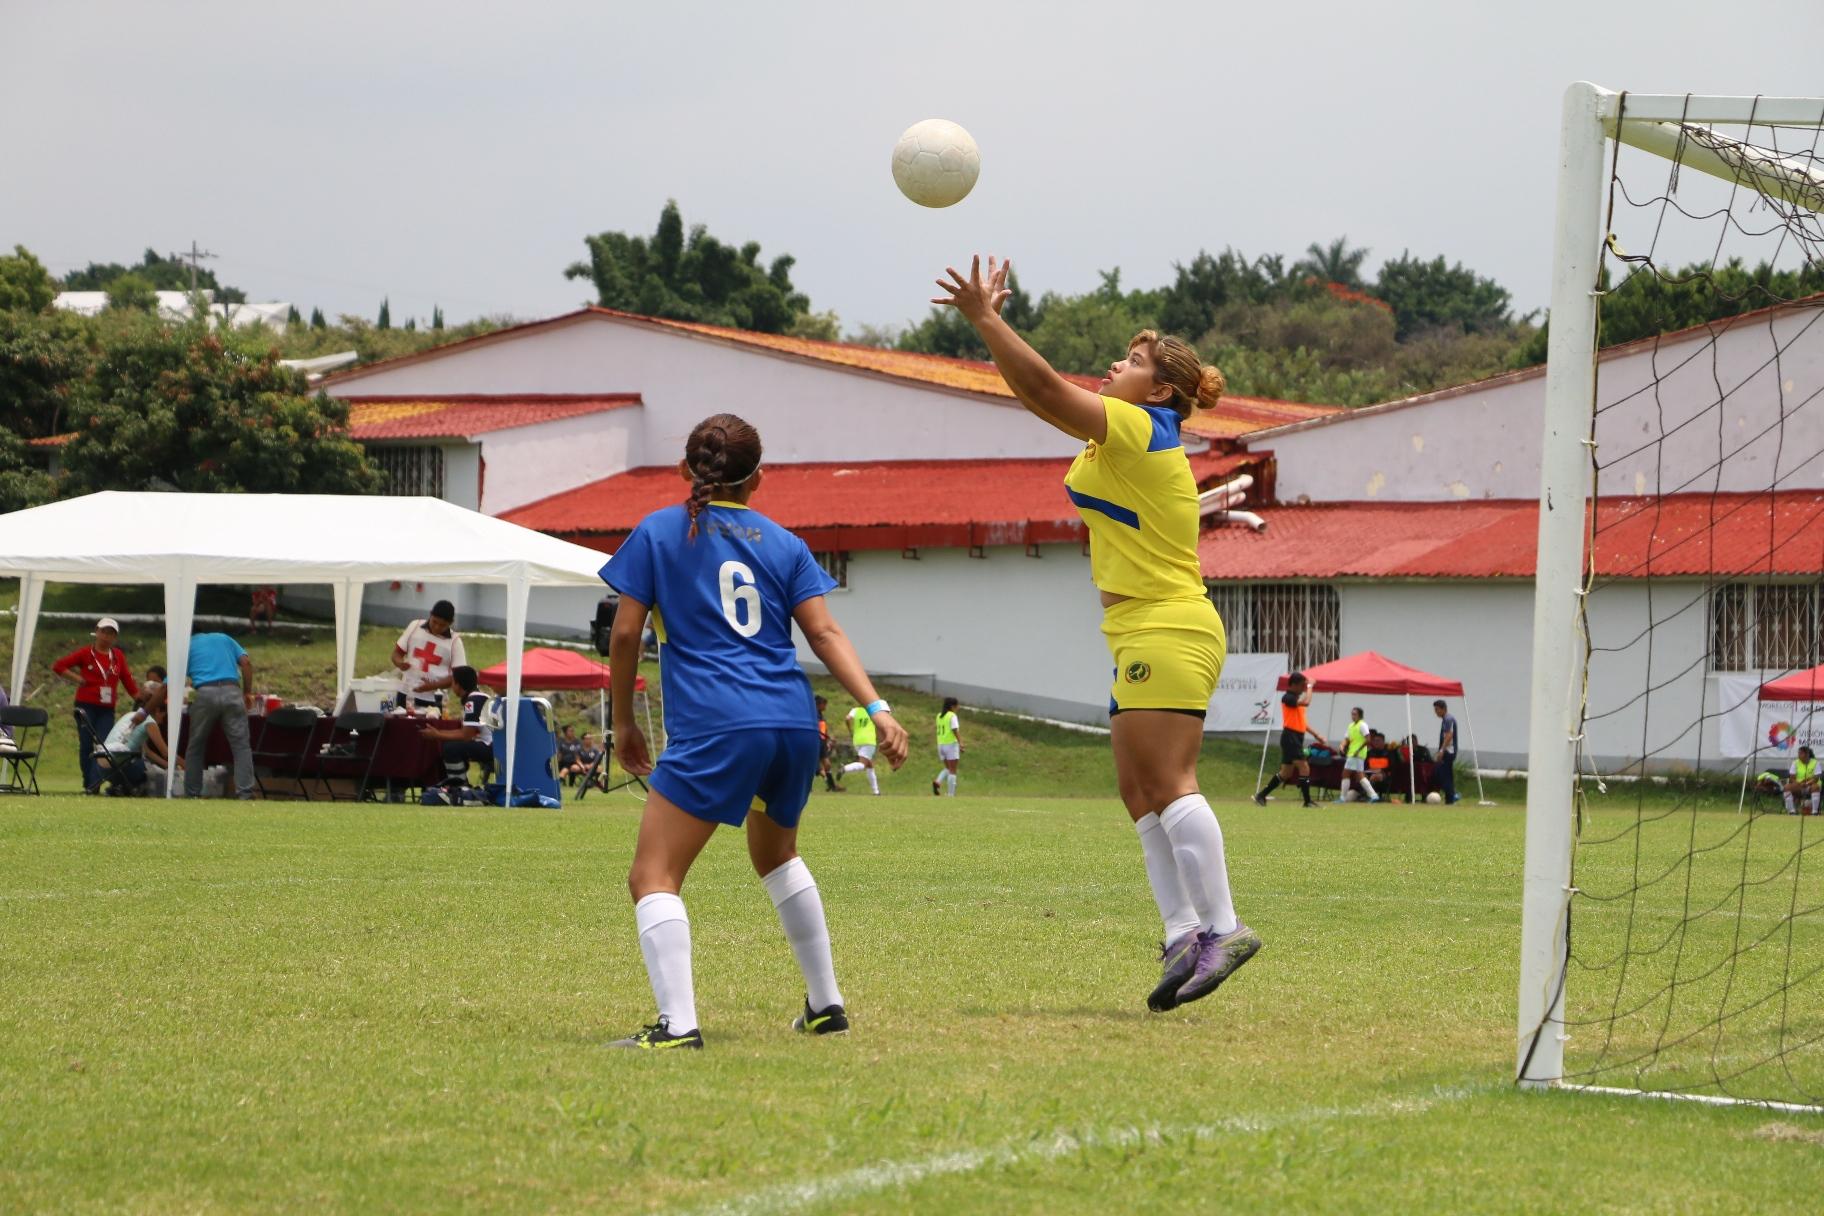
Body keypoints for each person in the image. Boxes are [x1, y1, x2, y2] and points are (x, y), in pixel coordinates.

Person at [936, 254, 1260, 1013]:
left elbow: (1048, 389)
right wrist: (994, 336)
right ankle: (1183, 932)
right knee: (1137, 793)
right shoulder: (1118, 434)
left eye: (1135, 360)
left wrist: (986, 318)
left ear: (1163, 390)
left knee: (1171, 783)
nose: (1118, 364)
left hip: (1168, 624)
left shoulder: (1146, 428)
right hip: (1135, 630)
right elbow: (1037, 395)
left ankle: (1225, 927)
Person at [602, 412, 909, 1050]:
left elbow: (626, 632)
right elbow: (824, 634)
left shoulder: (660, 532)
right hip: (792, 723)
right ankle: (826, 1005)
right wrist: (877, 708)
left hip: (719, 722)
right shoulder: (785, 544)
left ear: (686, 470)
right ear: (758, 479)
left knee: (653, 875)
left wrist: (625, 721)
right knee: (777, 856)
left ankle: (677, 1025)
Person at [53, 618, 141, 794]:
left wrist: (140, 698)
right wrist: (78, 679)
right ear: (97, 631)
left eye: (111, 633)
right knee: (86, 743)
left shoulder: (117, 656)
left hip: (107, 708)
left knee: (103, 745)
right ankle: (89, 782)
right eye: (104, 632)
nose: (106, 637)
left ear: (115, 637)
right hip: (86, 705)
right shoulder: (86, 653)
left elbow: (127, 680)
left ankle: (95, 783)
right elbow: (59, 666)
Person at [184, 631, 255, 800]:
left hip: (204, 693)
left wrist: (144, 711)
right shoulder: (225, 639)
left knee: (196, 746)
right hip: (232, 690)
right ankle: (245, 793)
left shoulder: (187, 646)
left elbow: (170, 682)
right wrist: (247, 693)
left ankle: (193, 794)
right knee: (241, 746)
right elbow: (246, 663)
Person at [1255, 673, 1326, 808]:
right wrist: (1311, 686)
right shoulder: (1288, 697)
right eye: (1302, 686)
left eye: (1305, 686)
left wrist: (1317, 735)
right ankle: (1307, 801)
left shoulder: (1296, 700)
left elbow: (1302, 723)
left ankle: (1261, 795)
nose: (1303, 688)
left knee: (1286, 773)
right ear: (1293, 685)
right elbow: (1307, 702)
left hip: (1295, 737)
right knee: (1304, 767)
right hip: (1290, 737)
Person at [423, 666, 494, 789]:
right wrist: (439, 733)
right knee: (451, 744)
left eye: (452, 682)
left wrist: (437, 734)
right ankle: (456, 781)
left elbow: (466, 735)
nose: (451, 686)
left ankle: (459, 786)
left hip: (491, 745)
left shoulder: (473, 700)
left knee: (451, 748)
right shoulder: (478, 697)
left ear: (458, 684)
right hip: (491, 743)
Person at [392, 601, 466, 712]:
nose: (436, 627)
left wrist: (433, 685)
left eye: (442, 625)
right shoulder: (415, 626)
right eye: (434, 622)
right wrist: (400, 663)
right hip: (405, 692)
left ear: (450, 623)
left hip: (434, 699)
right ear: (430, 615)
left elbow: (458, 676)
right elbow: (396, 654)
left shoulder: (455, 642)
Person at [840, 699, 881, 795]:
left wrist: (850, 730)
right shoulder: (873, 712)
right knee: (863, 764)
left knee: (870, 765)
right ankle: (845, 768)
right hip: (869, 740)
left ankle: (876, 791)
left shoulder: (855, 710)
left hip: (857, 740)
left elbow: (847, 718)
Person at [1339, 706, 1379, 803]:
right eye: (1352, 714)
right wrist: (1342, 745)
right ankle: (1373, 795)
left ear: (1360, 715)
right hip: (1352, 753)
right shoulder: (1351, 726)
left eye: (1355, 714)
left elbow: (1368, 739)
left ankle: (1343, 798)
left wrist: (1358, 749)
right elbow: (1347, 738)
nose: (1352, 716)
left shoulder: (1362, 725)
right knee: (1360, 775)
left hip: (1357, 754)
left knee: (1346, 773)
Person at [932, 696, 964, 797]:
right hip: (950, 744)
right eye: (957, 705)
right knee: (953, 770)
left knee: (948, 768)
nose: (958, 707)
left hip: (940, 744)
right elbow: (955, 729)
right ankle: (951, 794)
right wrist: (961, 743)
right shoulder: (952, 716)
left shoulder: (939, 716)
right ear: (952, 706)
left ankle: (938, 781)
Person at [1433, 699, 1460, 805]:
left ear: (1443, 709)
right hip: (1446, 751)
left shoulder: (1449, 719)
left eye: (1437, 709)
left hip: (1448, 751)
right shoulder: (1445, 719)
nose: (1436, 712)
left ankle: (1451, 796)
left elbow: (1449, 735)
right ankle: (1450, 797)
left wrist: (1441, 751)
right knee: (1444, 774)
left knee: (1443, 774)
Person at [815, 696, 842, 792]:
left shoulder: (820, 715)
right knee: (814, 765)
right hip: (815, 741)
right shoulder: (813, 715)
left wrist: (827, 740)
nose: (825, 707)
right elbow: (816, 729)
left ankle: (832, 785)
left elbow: (823, 730)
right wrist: (827, 737)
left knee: (827, 764)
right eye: (824, 705)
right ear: (819, 704)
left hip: (822, 742)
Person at [1784, 745, 1820, 815]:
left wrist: (1807, 783)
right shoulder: (1795, 763)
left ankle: (1814, 812)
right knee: (1787, 787)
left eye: (1801, 753)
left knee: (1816, 787)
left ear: (1807, 754)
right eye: (1798, 753)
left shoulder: (1815, 763)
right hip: (1799, 785)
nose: (1799, 755)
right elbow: (1792, 778)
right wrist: (1799, 784)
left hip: (1810, 786)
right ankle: (1792, 811)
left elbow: (1816, 778)